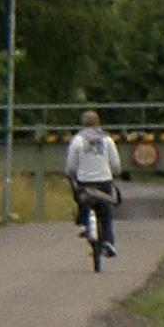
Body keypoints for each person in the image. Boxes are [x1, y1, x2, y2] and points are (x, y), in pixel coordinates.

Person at [64, 110, 120, 258]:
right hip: (104, 181)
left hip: (85, 182)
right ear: (98, 123)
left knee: (80, 198)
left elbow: (71, 166)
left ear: (83, 123)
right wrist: (114, 172)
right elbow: (115, 164)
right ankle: (108, 242)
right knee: (106, 213)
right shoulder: (107, 140)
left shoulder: (77, 140)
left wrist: (71, 173)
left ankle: (83, 222)